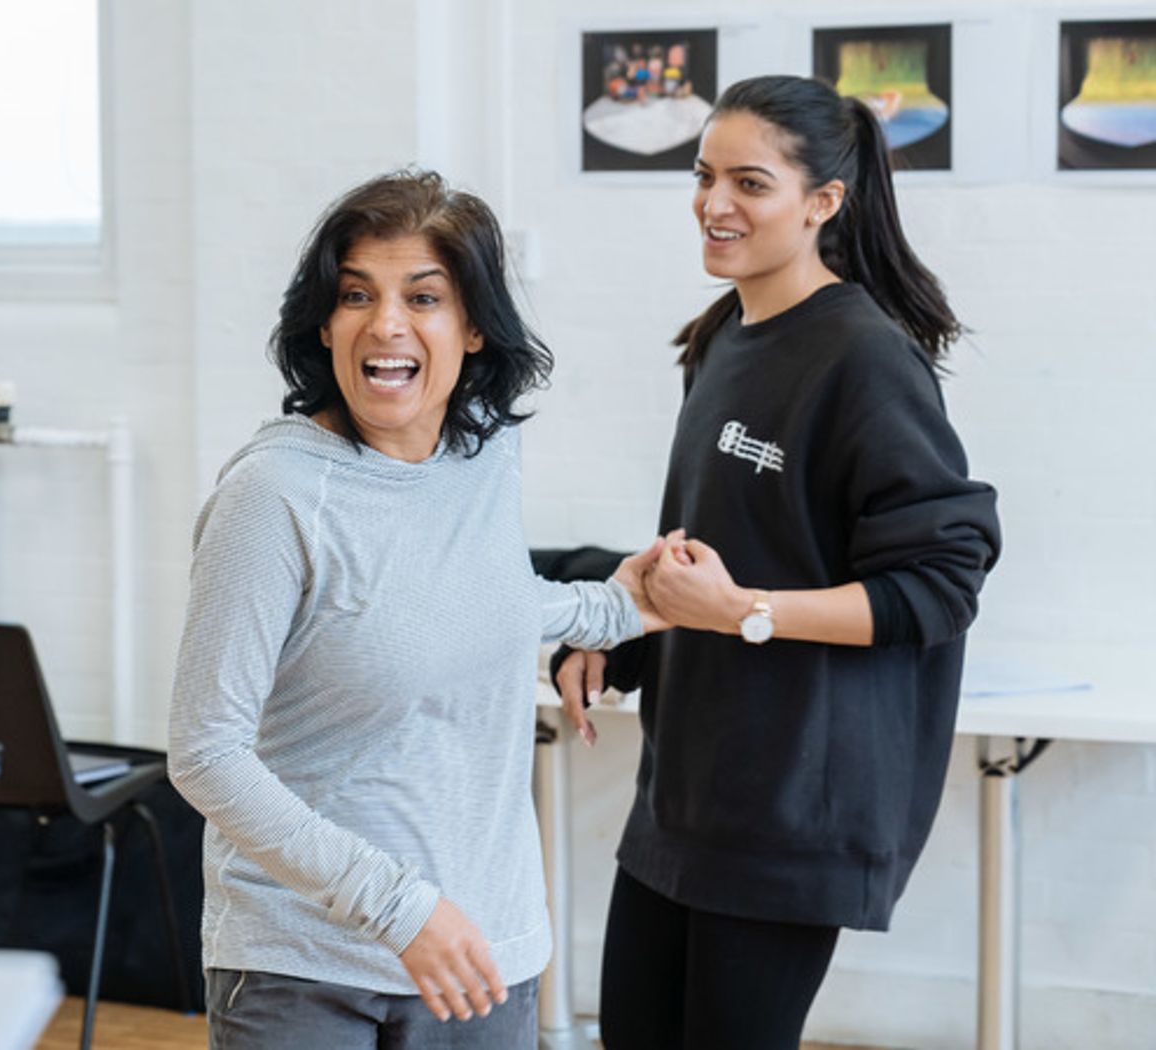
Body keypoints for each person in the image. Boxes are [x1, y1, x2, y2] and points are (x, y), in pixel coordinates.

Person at [169, 169, 680, 1050]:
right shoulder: (273, 494)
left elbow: (463, 604)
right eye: (356, 295)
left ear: (474, 326)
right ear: (324, 322)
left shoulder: (483, 456)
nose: (386, 324)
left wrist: (618, 608)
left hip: (484, 952)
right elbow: (205, 753)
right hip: (306, 966)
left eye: (423, 297)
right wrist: (400, 908)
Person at [555, 75, 1002, 1049]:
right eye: (702, 175)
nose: (713, 204)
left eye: (748, 183)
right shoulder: (721, 337)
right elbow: (725, 543)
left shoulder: (865, 359)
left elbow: (938, 585)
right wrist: (620, 629)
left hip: (791, 814)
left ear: (821, 202)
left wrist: (742, 611)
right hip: (683, 795)